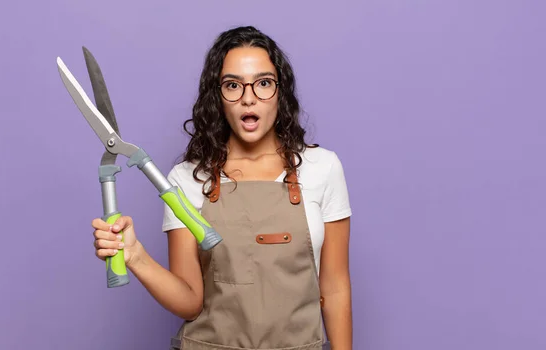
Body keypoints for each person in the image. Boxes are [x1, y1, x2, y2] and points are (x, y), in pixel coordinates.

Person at [91, 26, 353, 350]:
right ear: (218, 96)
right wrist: (135, 256)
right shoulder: (187, 179)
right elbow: (190, 301)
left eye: (263, 83)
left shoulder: (322, 168)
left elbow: (335, 286)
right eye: (233, 85)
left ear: (280, 92)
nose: (248, 97)